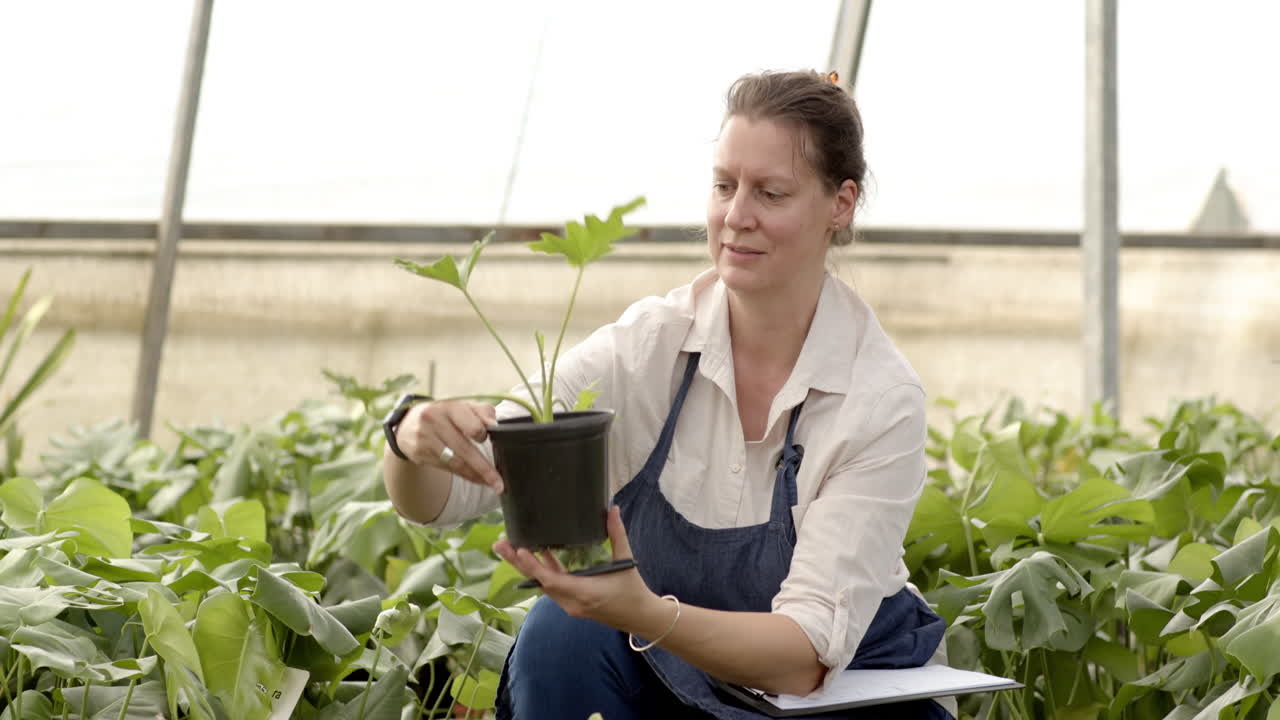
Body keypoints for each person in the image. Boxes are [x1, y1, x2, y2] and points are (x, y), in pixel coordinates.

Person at [384, 70, 952, 720]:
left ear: (840, 205)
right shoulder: (650, 346)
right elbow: (451, 496)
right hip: (681, 672)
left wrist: (648, 614)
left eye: (770, 192)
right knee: (560, 638)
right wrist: (411, 437)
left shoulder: (877, 398)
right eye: (723, 186)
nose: (737, 217)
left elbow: (804, 658)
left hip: (845, 697)